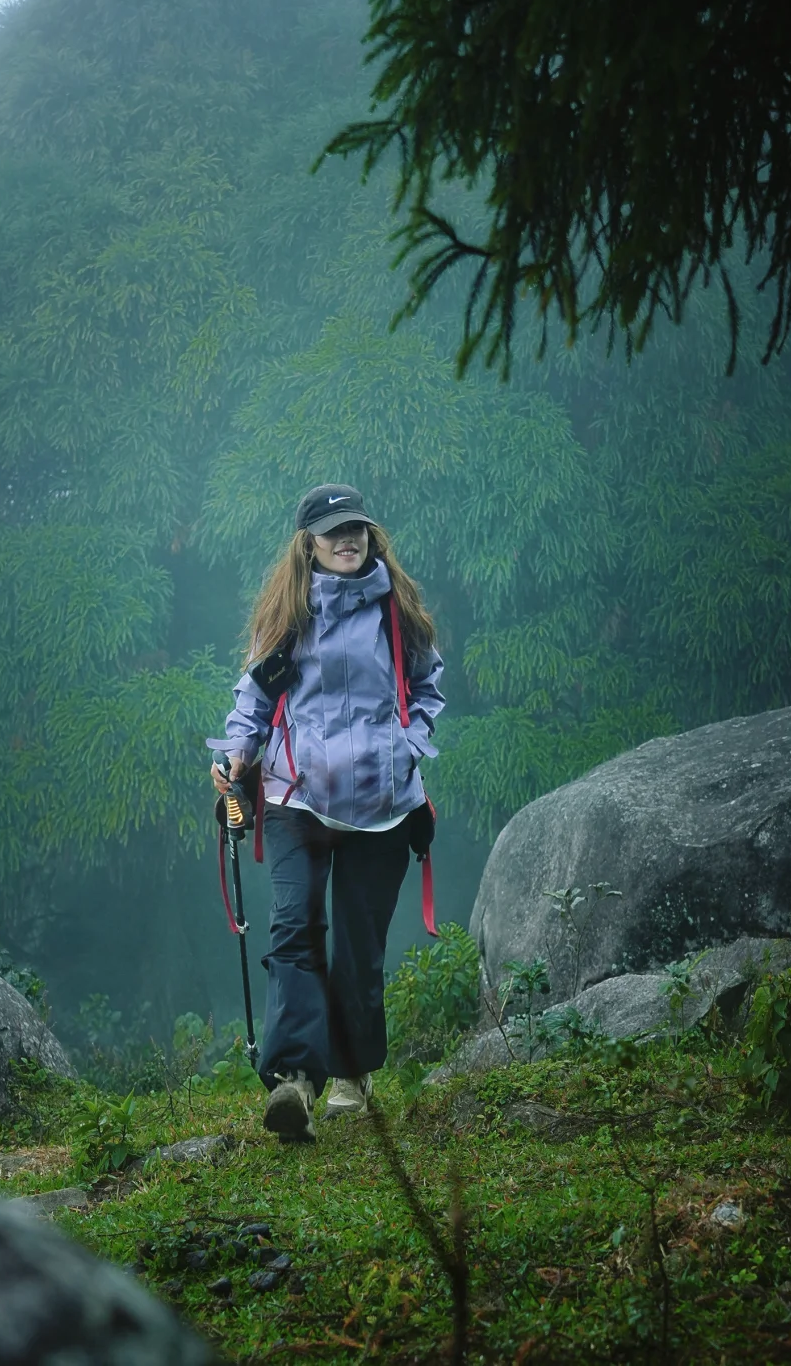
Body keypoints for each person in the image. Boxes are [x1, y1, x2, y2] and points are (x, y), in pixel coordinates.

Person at [207, 484, 445, 1143]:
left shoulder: (396, 611)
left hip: (383, 805)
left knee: (359, 946)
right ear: (307, 543)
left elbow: (426, 684)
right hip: (296, 798)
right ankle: (295, 1080)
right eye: (333, 531)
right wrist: (233, 757)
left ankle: (352, 1071)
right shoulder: (288, 613)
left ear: (371, 536)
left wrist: (408, 744)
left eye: (357, 529)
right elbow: (251, 703)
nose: (348, 540)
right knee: (295, 930)